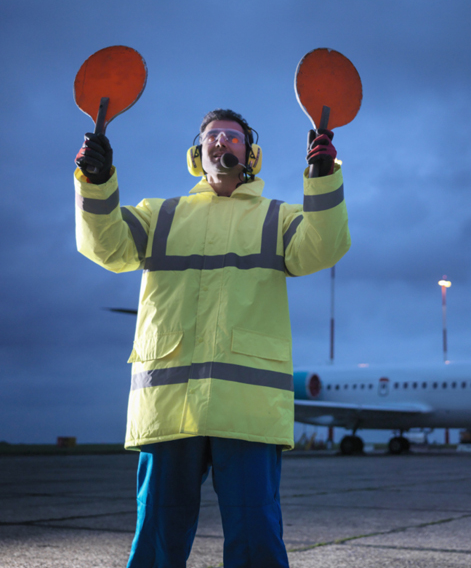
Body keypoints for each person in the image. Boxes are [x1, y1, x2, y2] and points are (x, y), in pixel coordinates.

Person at [74, 109, 350, 567]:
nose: (222, 142)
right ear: (196, 154)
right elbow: (105, 245)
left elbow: (323, 248)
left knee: (256, 538)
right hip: (170, 408)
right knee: (157, 538)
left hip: (246, 411)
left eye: (234, 137)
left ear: (251, 154)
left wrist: (322, 176)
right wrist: (95, 177)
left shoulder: (278, 218)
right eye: (212, 136)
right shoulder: (159, 215)